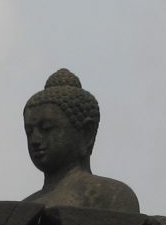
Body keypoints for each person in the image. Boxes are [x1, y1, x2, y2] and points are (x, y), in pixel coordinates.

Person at [22, 69, 139, 213]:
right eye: (29, 132)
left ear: (86, 134)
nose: (34, 140)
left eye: (46, 129)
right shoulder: (24, 208)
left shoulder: (111, 196)